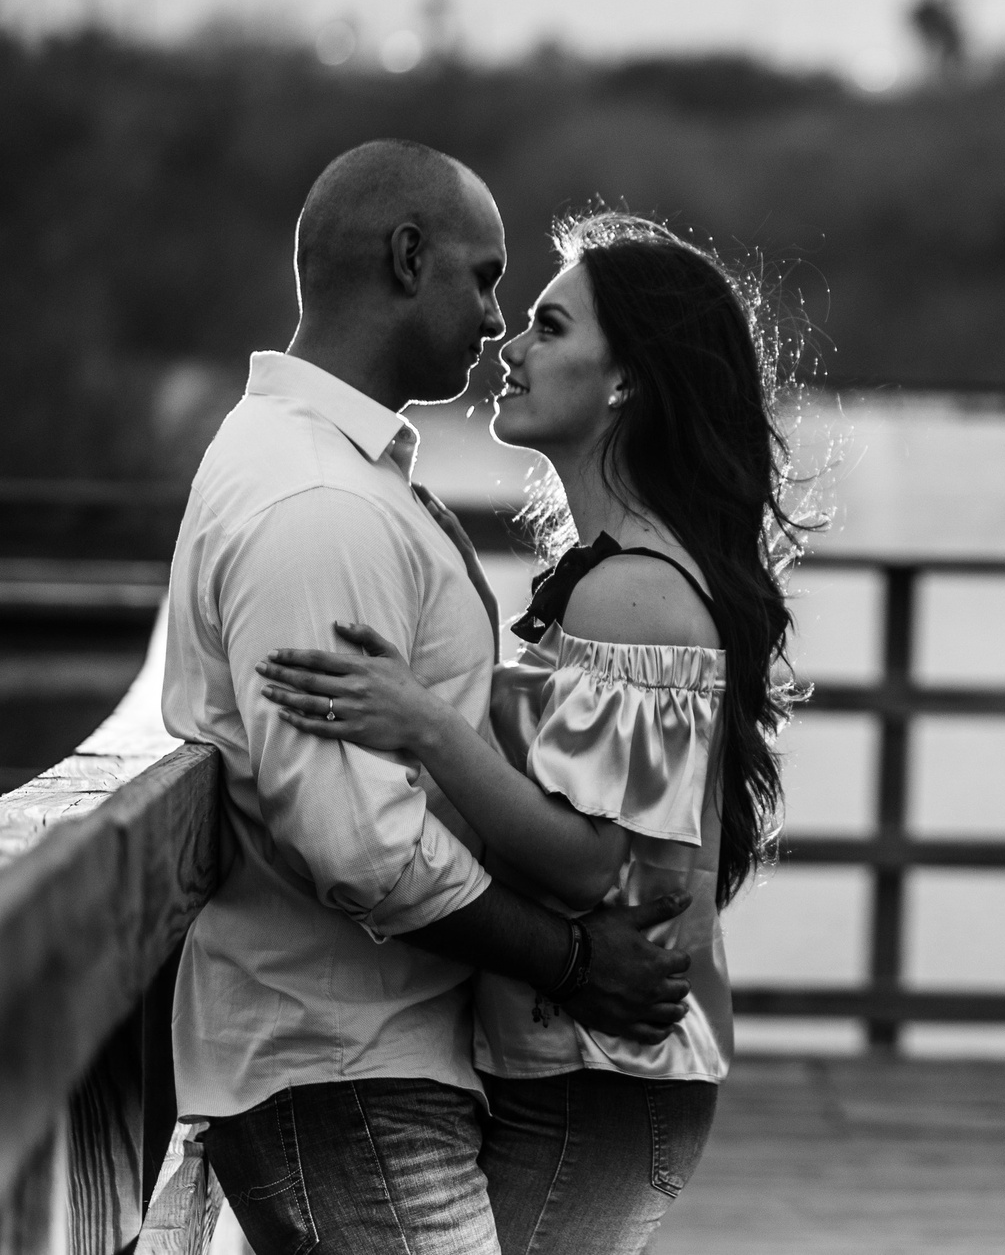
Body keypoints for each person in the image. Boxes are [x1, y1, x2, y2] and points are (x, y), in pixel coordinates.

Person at [160, 146, 696, 1255]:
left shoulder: (335, 470)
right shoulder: (319, 503)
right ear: (409, 257)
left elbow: (634, 841)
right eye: (487, 277)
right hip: (342, 1062)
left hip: (383, 1055)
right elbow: (362, 844)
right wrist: (576, 962)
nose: (497, 321)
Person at [253, 211, 806, 1255]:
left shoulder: (636, 592)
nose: (508, 347)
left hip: (600, 1083)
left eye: (549, 328)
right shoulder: (612, 574)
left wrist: (420, 723)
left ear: (627, 379)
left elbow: (599, 862)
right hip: (569, 1073)